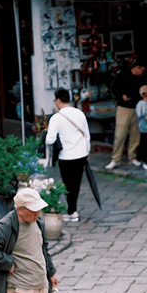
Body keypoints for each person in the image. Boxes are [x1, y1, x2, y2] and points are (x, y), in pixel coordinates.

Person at [45, 88, 91, 223]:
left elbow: (50, 140)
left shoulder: (56, 118)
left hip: (66, 156)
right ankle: (73, 211)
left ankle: (72, 211)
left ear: (58, 101)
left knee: (68, 184)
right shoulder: (80, 114)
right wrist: (87, 152)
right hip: (81, 154)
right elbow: (87, 135)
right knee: (76, 183)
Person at [106, 61, 147, 169]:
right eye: (141, 70)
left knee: (135, 136)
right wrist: (121, 96)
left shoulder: (142, 78)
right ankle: (115, 159)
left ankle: (132, 157)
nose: (141, 73)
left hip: (136, 108)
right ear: (137, 67)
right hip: (123, 108)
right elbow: (113, 88)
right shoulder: (123, 75)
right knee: (120, 135)